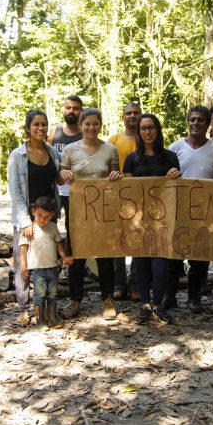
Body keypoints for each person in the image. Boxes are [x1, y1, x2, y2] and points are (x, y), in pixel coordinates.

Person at [59, 108, 123, 321]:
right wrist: (64, 172)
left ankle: (107, 299)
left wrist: (116, 175)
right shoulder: (70, 150)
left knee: (105, 257)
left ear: (100, 126)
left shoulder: (110, 149)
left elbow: (116, 177)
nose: (91, 127)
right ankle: (75, 300)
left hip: (103, 211)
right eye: (87, 124)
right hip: (77, 211)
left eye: (95, 123)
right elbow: (60, 177)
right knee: (77, 257)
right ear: (80, 126)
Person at [7, 109, 64, 326]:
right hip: (27, 217)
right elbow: (15, 190)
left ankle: (47, 309)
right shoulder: (17, 155)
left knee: (46, 261)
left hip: (48, 216)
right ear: (28, 128)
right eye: (36, 124)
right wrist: (25, 221)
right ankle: (24, 308)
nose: (41, 128)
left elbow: (59, 178)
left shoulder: (53, 152)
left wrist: (66, 174)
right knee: (24, 262)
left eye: (44, 124)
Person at [123, 113, 181, 325]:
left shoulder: (170, 157)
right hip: (138, 219)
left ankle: (158, 305)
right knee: (141, 263)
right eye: (143, 128)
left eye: (151, 127)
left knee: (161, 264)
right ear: (139, 133)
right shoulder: (131, 159)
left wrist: (177, 175)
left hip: (164, 219)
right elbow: (127, 190)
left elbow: (177, 187)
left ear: (157, 130)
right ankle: (145, 305)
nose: (147, 132)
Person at [168, 105, 213, 313]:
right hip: (178, 210)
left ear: (207, 124)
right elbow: (166, 177)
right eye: (192, 119)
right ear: (188, 122)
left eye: (200, 120)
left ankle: (194, 297)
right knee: (174, 255)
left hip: (204, 212)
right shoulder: (175, 147)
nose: (196, 123)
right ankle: (170, 296)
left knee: (199, 257)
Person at [19, 197, 74, 329]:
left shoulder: (53, 227)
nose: (42, 220)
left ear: (53, 215)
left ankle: (52, 317)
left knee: (53, 294)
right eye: (39, 215)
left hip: (53, 268)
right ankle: (40, 320)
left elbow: (59, 244)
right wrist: (23, 267)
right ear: (33, 211)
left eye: (47, 217)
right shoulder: (28, 229)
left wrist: (64, 257)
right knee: (40, 295)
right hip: (38, 270)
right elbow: (23, 249)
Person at [108, 102, 142, 300]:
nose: (132, 116)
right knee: (118, 240)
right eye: (128, 113)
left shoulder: (147, 138)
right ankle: (119, 283)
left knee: (138, 239)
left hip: (142, 198)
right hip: (117, 197)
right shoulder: (114, 140)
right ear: (123, 117)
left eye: (136, 113)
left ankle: (136, 283)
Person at [48, 95, 84, 254]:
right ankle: (50, 260)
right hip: (55, 189)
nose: (71, 111)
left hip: (76, 191)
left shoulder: (85, 132)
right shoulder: (54, 131)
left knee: (74, 230)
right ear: (63, 110)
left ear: (81, 111)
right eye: (68, 108)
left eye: (76, 108)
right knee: (49, 225)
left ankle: (71, 262)